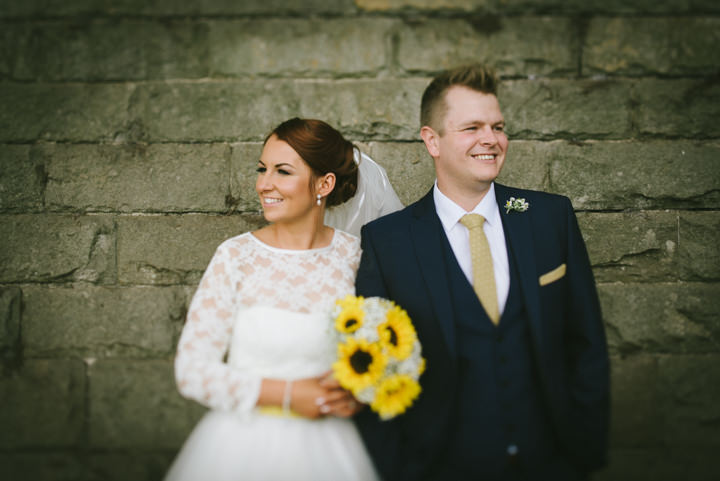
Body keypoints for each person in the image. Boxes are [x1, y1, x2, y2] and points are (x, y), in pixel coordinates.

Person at [354, 64, 610, 480]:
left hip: (552, 462)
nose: (490, 139)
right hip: (439, 466)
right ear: (431, 140)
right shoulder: (388, 241)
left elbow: (586, 343)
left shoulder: (549, 217)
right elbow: (376, 370)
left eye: (498, 126)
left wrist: (584, 454)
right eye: (472, 127)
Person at [165, 117, 400, 481]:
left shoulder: (357, 259)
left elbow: (387, 351)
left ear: (324, 183)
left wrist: (359, 392)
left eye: (282, 171)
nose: (264, 184)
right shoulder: (235, 256)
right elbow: (193, 371)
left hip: (331, 450)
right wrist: (287, 394)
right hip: (239, 450)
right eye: (262, 169)